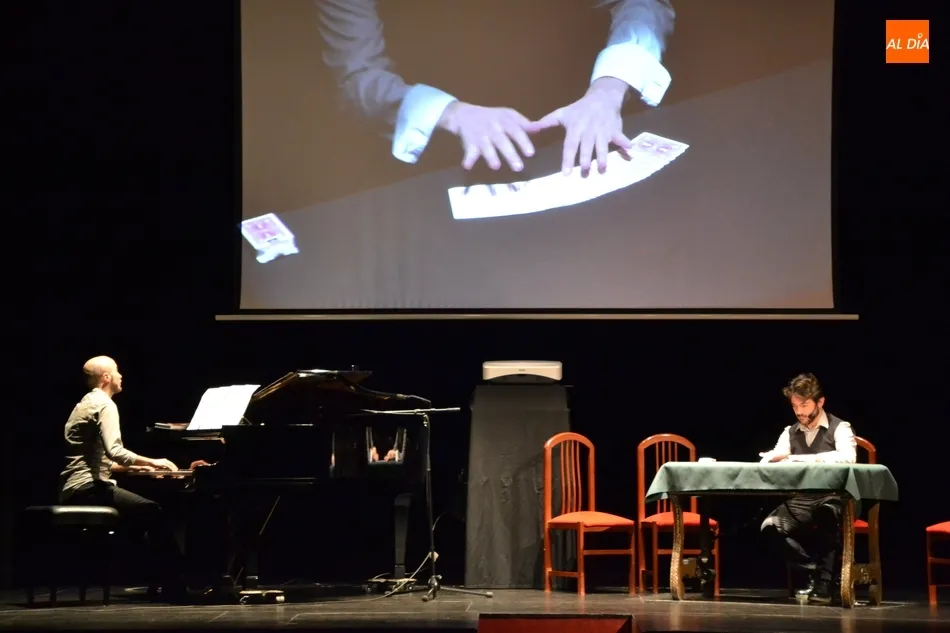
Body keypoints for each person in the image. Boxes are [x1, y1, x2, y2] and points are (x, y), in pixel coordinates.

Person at [317, 0, 675, 175]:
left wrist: (608, 91)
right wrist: (450, 113)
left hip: (581, 122)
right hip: (438, 159)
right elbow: (357, 76)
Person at [59, 356, 204, 602]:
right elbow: (115, 451)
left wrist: (141, 468)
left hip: (75, 487)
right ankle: (175, 585)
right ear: (106, 377)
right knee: (153, 512)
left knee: (146, 518)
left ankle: (162, 579)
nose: (121, 375)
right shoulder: (105, 405)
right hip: (89, 489)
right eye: (116, 371)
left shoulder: (83, 404)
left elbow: (101, 461)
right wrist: (153, 462)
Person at [758, 373, 857, 604]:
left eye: (804, 405)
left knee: (827, 514)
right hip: (803, 499)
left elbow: (848, 458)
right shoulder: (790, 431)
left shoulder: (840, 427)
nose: (799, 412)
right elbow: (779, 456)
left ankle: (824, 584)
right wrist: (774, 458)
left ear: (820, 402)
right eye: (795, 406)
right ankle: (814, 569)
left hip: (835, 496)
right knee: (770, 528)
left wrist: (805, 459)